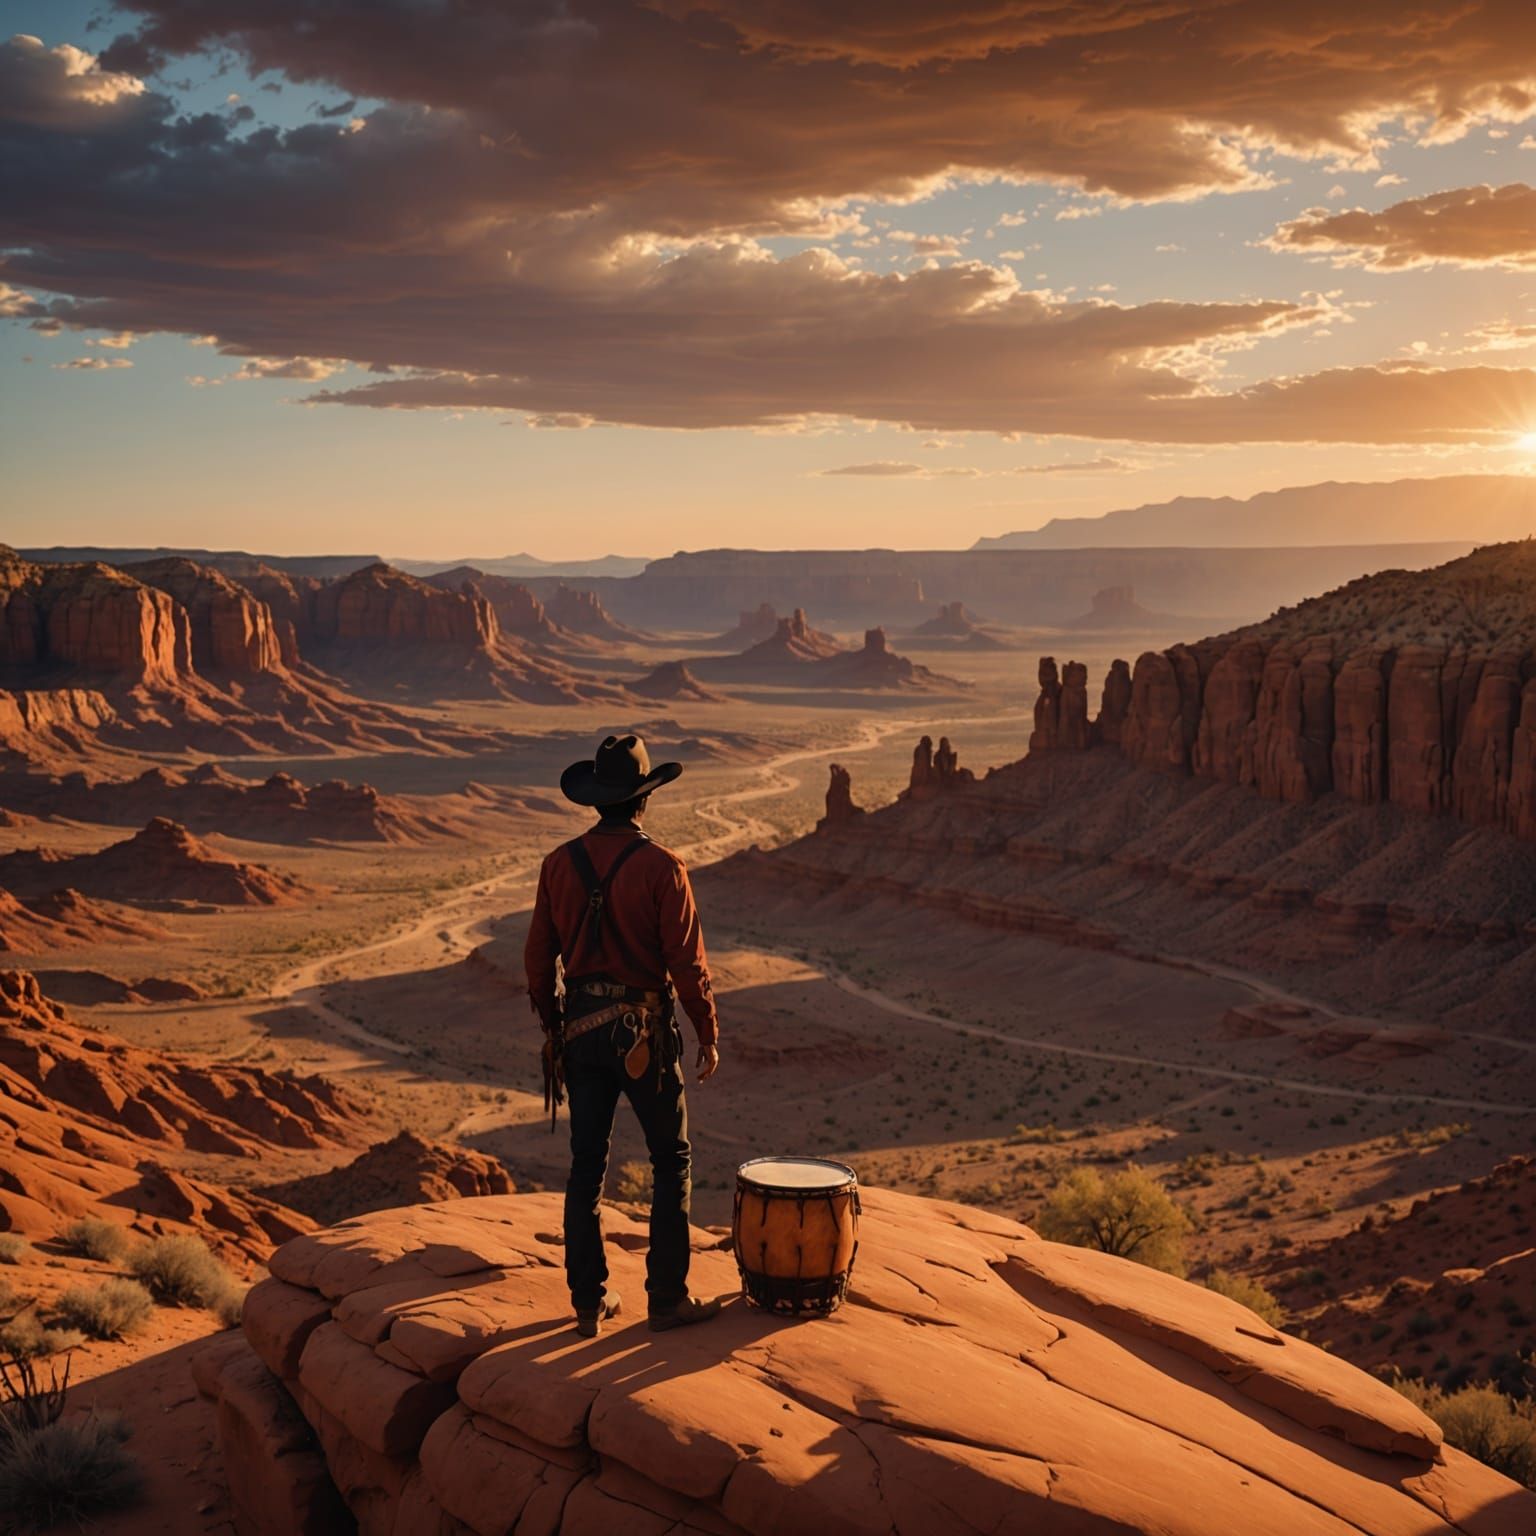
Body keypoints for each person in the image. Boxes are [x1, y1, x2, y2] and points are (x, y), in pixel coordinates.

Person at [525, 732, 723, 1337]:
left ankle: (588, 1302)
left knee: (586, 1165)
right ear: (644, 799)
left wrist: (555, 1028)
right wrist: (706, 1030)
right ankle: (666, 1299)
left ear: (596, 800)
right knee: (672, 1161)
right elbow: (687, 963)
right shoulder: (663, 867)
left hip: (582, 1033)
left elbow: (537, 959)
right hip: (645, 1035)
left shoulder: (558, 863)